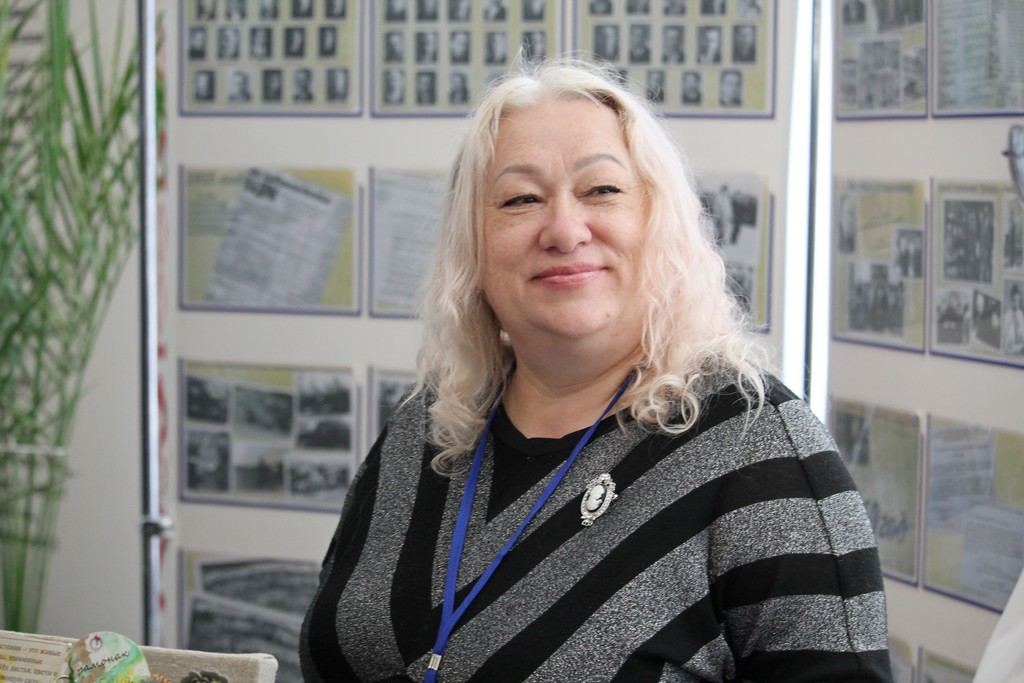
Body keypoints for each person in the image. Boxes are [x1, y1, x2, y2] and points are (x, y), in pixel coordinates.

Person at [300, 57, 892, 682]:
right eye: (521, 199)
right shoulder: (430, 423)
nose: (563, 229)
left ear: (660, 222)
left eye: (602, 190)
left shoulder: (762, 451)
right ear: (473, 245)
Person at [1004, 282, 1024, 356]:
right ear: (1011, 300)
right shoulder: (1007, 315)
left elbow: (1022, 336)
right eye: (1015, 301)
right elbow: (1005, 344)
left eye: (1018, 301)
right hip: (1010, 353)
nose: (1017, 304)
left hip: (1020, 351)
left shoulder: (1020, 315)